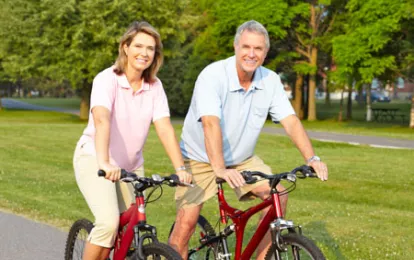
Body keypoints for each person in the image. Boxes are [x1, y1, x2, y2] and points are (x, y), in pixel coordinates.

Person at [168, 20, 328, 259]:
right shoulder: (212, 76)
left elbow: (291, 121)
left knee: (278, 196)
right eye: (246, 47)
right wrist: (219, 168)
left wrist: (312, 158)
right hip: (199, 158)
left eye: (258, 49)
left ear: (265, 53)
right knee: (186, 225)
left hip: (242, 160)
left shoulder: (270, 81)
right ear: (235, 47)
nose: (251, 54)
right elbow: (210, 124)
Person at [73, 21, 192, 260]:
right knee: (108, 223)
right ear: (125, 47)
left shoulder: (155, 86)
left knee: (131, 227)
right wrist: (105, 162)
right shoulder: (107, 80)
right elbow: (102, 119)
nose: (144, 53)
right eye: (138, 45)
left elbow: (165, 128)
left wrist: (181, 169)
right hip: (95, 158)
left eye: (151, 48)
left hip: (131, 165)